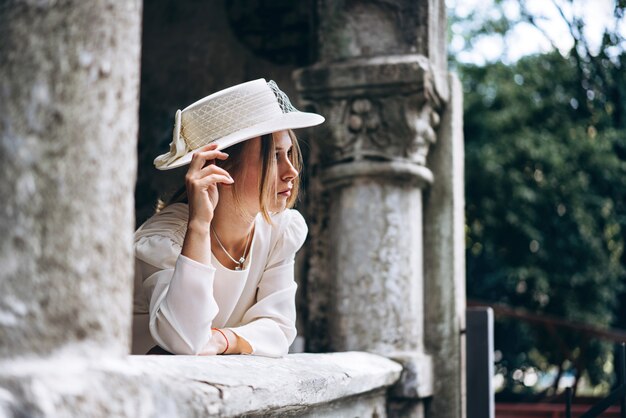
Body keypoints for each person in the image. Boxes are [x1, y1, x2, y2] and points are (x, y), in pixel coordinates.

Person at [131, 79, 324, 357]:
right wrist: (198, 226)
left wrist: (223, 339)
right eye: (274, 157)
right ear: (220, 166)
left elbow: (280, 329)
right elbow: (183, 340)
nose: (291, 171)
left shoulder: (280, 230)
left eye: (290, 154)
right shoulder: (163, 239)